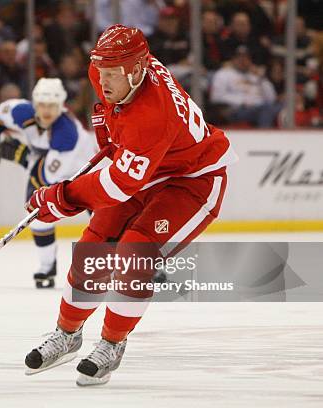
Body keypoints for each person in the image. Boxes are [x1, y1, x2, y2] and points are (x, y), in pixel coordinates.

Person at [23, 25, 237, 385]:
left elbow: (117, 184)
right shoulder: (113, 68)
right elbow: (111, 115)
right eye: (101, 72)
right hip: (149, 165)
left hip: (194, 179)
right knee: (94, 247)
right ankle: (68, 333)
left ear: (137, 70)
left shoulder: (154, 114)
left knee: (135, 252)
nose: (102, 81)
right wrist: (109, 131)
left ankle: (112, 342)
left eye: (111, 75)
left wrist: (63, 198)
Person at [0, 78, 96, 288]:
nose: (46, 111)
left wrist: (19, 154)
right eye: (42, 105)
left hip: (86, 173)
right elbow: (1, 115)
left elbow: (45, 178)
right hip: (49, 163)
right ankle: (46, 267)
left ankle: (140, 265)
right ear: (34, 104)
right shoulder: (21, 111)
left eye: (52, 106)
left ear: (60, 106)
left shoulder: (66, 135)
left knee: (104, 221)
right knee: (37, 214)